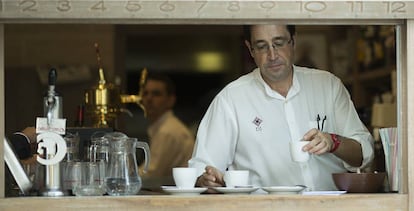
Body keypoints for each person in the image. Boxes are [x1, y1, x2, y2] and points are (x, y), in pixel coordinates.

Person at [188, 24, 375, 192]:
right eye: (262, 46)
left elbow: (363, 154)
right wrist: (206, 181)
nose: (272, 55)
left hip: (331, 206)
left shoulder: (328, 85)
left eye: (279, 43)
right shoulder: (231, 98)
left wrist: (333, 142)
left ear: (293, 42)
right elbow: (202, 169)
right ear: (250, 49)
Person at [139, 73, 195, 185]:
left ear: (171, 100)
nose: (149, 98)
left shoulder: (168, 131)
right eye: (145, 93)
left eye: (156, 94)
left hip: (178, 196)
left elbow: (150, 174)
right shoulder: (165, 127)